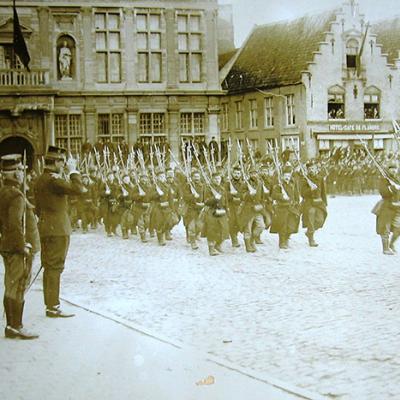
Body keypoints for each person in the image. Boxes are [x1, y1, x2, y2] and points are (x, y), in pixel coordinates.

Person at [34, 146, 84, 318]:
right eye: (62, 161)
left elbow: (38, 208)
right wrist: (73, 171)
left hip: (46, 228)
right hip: (58, 230)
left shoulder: (41, 179)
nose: (63, 165)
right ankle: (53, 307)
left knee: (49, 267)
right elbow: (79, 189)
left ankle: (50, 305)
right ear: (55, 162)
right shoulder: (54, 181)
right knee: (55, 268)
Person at [0, 154, 40, 339]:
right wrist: (22, 246)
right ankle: (16, 326)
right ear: (15, 174)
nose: (23, 175)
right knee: (18, 285)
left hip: (6, 246)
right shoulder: (16, 195)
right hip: (16, 249)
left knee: (10, 284)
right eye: (21, 172)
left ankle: (10, 326)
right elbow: (16, 224)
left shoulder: (3, 192)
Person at [373, 163, 400, 255]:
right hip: (387, 205)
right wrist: (392, 188)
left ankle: (392, 244)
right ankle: (385, 248)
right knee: (385, 228)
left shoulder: (397, 179)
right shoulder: (384, 180)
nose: (394, 171)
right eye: (391, 169)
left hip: (398, 206)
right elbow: (383, 192)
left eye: (395, 169)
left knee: (398, 227)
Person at [300, 160, 328, 247]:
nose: (311, 170)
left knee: (320, 220)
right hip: (309, 203)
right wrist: (310, 190)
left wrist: (325, 203)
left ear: (316, 169)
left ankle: (309, 232)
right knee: (311, 215)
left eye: (313, 168)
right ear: (307, 170)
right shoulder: (305, 179)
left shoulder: (320, 179)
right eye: (309, 169)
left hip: (319, 202)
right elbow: (302, 193)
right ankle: (311, 238)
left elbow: (323, 191)